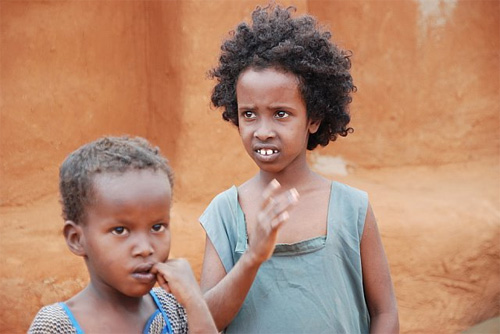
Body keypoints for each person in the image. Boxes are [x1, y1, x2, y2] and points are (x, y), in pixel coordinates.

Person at [199, 4, 399, 334]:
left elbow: (385, 311)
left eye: (281, 114)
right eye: (249, 114)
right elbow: (206, 323)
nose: (262, 130)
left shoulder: (352, 208)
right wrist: (252, 257)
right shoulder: (225, 213)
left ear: (314, 118)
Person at [29, 136, 217, 334]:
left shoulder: (174, 309)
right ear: (76, 239)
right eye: (120, 230)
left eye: (157, 227)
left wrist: (195, 302)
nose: (145, 248)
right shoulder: (56, 326)